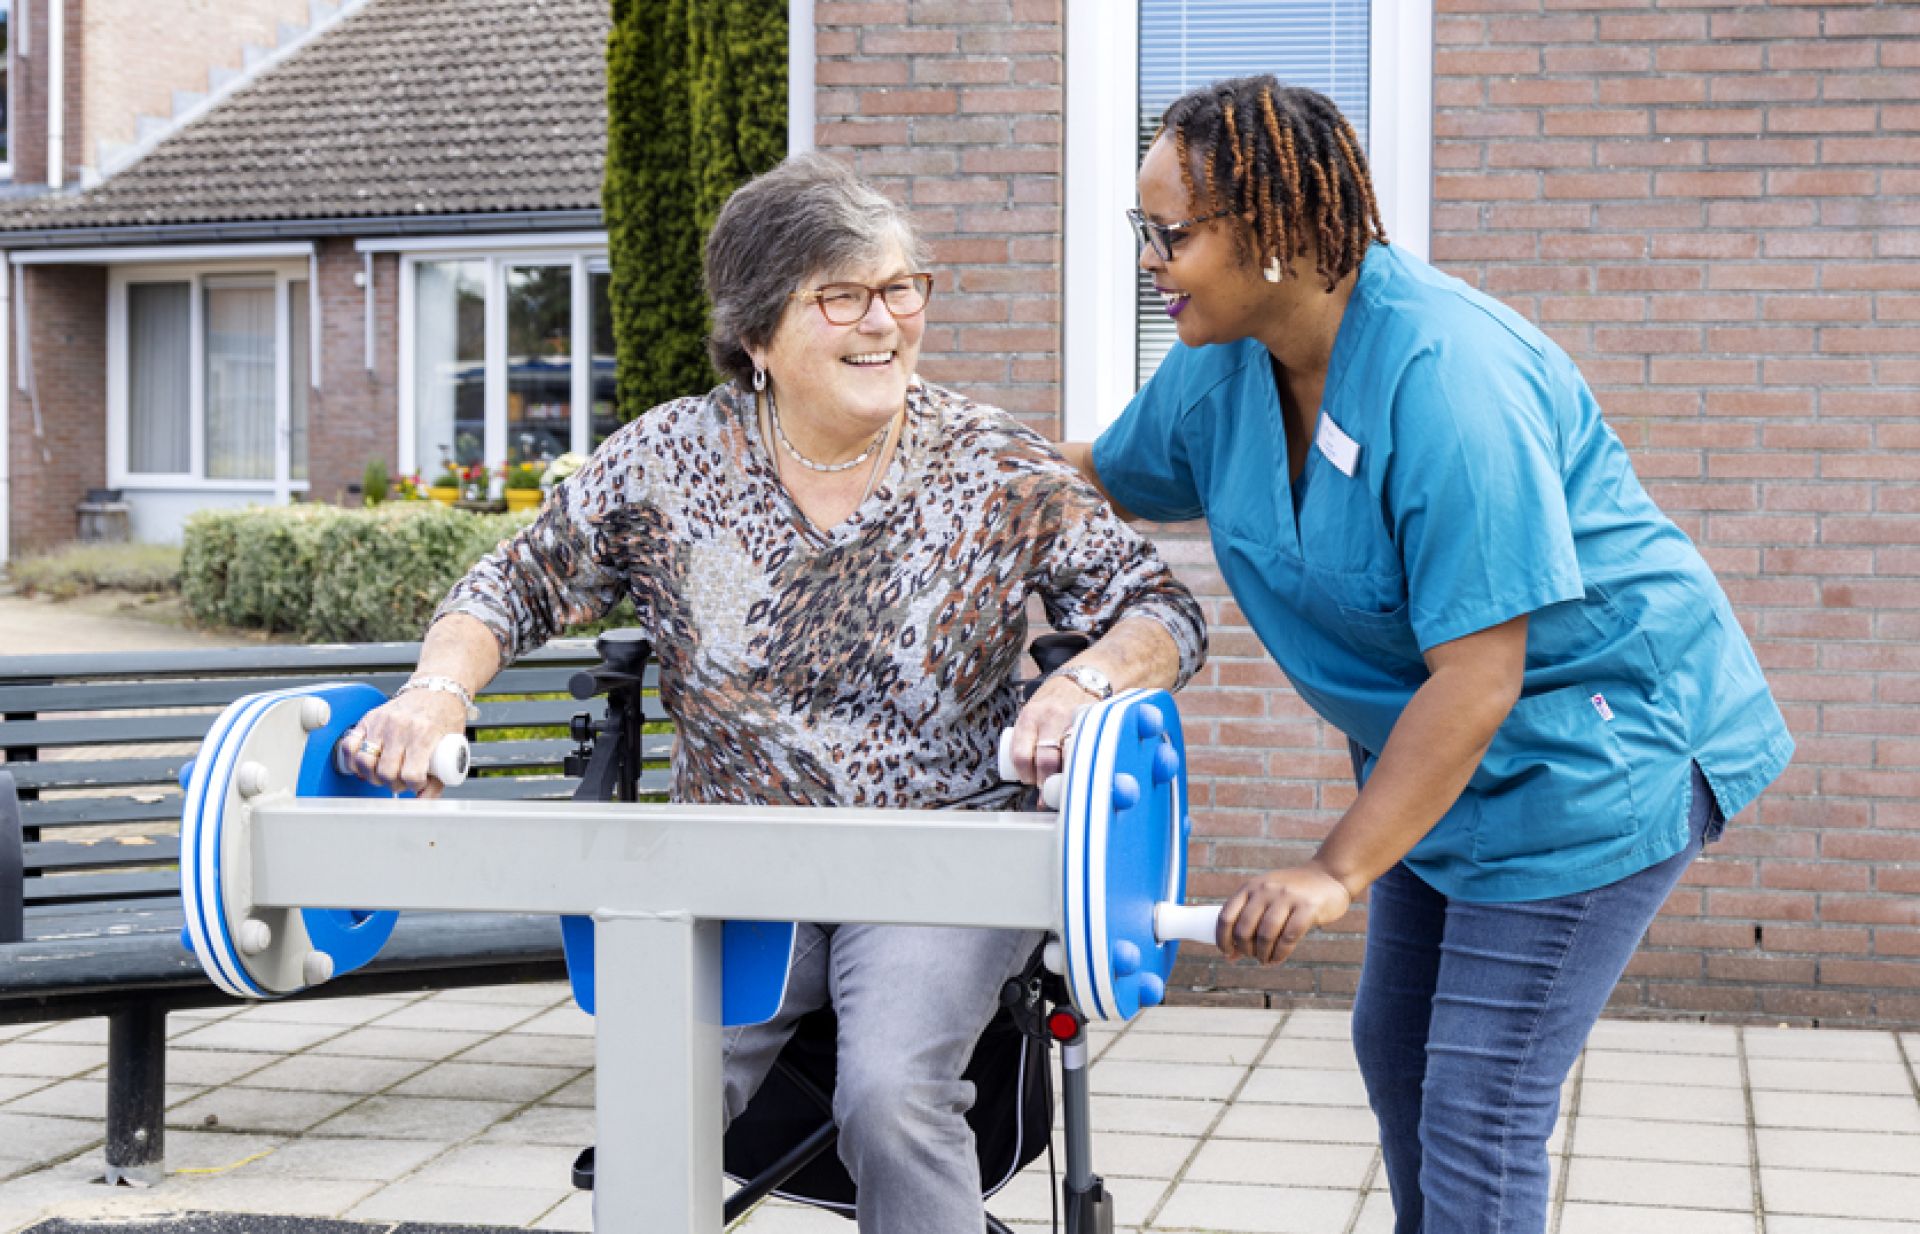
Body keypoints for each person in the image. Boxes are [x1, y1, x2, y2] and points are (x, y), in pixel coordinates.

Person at [339, 153, 1205, 1234]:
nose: (883, 321)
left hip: (936, 859)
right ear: (756, 334)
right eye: (842, 295)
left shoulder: (991, 463)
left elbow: (1161, 609)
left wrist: (1086, 678)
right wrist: (435, 693)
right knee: (658, 1090)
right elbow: (510, 584)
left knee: (890, 1095)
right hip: (736, 857)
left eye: (901, 288)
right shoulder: (668, 462)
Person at [1056, 77, 1793, 1234]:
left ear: (1275, 229)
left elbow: (1481, 675)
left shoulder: (1450, 379)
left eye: (1173, 234)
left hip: (1590, 750)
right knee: (1398, 1049)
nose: (1151, 261)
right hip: (1446, 758)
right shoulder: (1224, 362)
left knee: (1479, 1101)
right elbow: (1101, 474)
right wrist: (929, 453)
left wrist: (1333, 871)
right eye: (1141, 231)